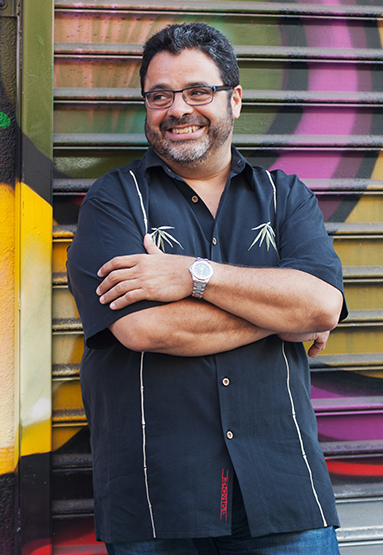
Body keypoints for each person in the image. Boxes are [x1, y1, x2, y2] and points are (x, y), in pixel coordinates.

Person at [66, 22, 347, 555]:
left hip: (283, 488)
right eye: (160, 95)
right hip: (156, 496)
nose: (179, 109)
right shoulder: (113, 202)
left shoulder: (286, 198)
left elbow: (322, 305)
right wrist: (281, 313)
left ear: (234, 100)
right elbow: (145, 328)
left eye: (198, 91)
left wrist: (193, 275)